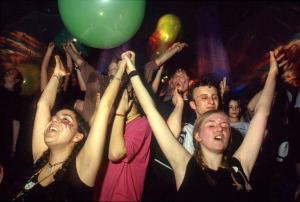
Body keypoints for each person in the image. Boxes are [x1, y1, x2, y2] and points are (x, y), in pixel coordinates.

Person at [122, 50, 278, 200]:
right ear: (197, 135)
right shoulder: (186, 167)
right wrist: (131, 70)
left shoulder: (240, 166)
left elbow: (262, 113)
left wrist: (273, 74)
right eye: (211, 125)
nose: (220, 128)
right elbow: (151, 111)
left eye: (224, 125)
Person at [11, 54, 125, 201]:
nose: (53, 120)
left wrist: (120, 71)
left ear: (77, 136)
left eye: (65, 119)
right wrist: (57, 76)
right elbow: (43, 105)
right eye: (54, 118)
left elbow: (105, 107)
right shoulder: (41, 158)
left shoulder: (81, 172)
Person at [97, 76, 152, 201]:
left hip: (122, 195)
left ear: (128, 97)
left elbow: (115, 153)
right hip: (104, 193)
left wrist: (120, 112)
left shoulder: (141, 124)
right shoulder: (117, 122)